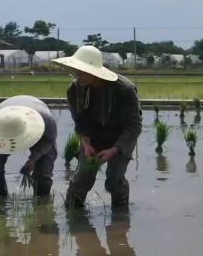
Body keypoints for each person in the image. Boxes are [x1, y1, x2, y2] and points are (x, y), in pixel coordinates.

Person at [53, 46, 142, 208]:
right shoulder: (74, 90)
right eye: (76, 70)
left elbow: (134, 126)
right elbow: (80, 122)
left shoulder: (124, 89)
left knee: (115, 178)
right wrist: (86, 144)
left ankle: (120, 217)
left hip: (121, 136)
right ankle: (73, 213)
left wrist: (114, 150)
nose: (77, 75)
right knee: (83, 175)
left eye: (82, 71)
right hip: (93, 136)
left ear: (94, 71)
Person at [0, 96, 58, 200]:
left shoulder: (46, 120)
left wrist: (33, 159)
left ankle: (42, 201)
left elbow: (48, 141)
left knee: (44, 169)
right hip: (6, 111)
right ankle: (1, 197)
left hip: (38, 118)